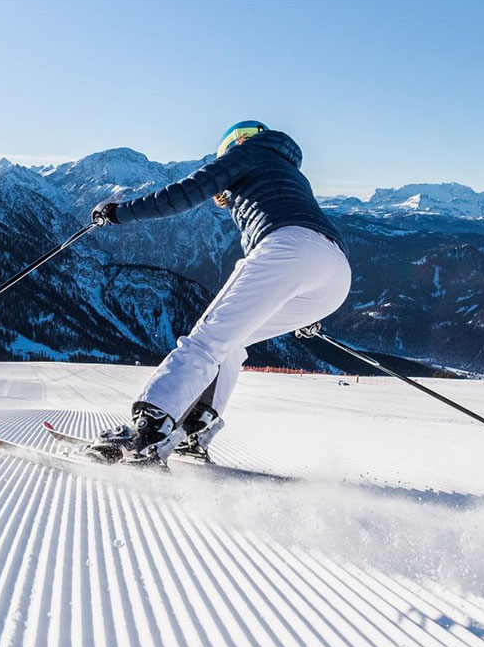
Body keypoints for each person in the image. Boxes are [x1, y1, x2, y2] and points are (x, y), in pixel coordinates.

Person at [85, 120, 351, 466]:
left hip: (288, 249)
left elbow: (182, 194)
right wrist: (305, 307)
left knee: (206, 342)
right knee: (230, 342)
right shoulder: (290, 171)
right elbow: (314, 243)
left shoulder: (249, 153)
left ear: (234, 144)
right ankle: (192, 433)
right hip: (335, 273)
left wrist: (120, 213)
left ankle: (147, 434)